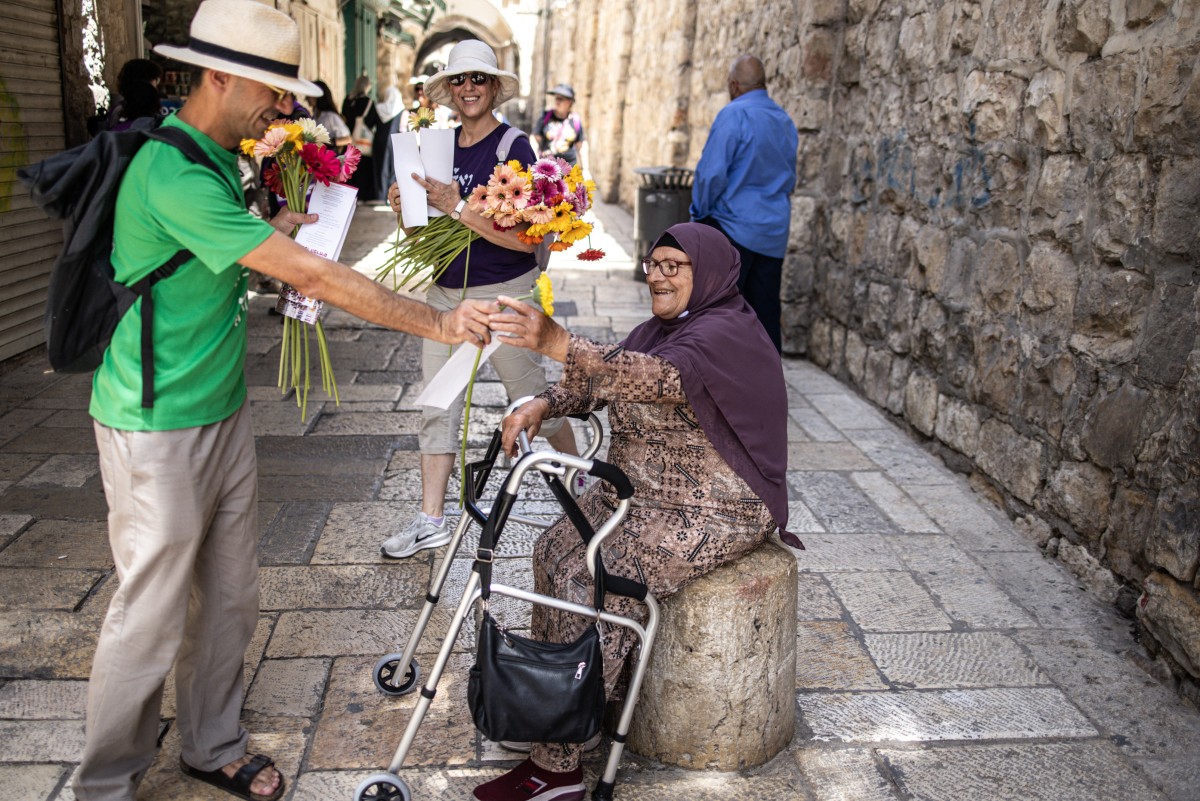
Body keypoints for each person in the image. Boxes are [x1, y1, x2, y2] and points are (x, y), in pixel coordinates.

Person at [73, 3, 495, 800]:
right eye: (272, 90)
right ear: (220, 75)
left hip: (221, 407)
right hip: (154, 421)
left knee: (231, 591)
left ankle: (211, 741)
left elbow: (214, 253)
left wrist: (271, 221)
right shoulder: (168, 169)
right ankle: (104, 782)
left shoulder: (212, 157)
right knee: (150, 610)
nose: (283, 108)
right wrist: (436, 318)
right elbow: (313, 277)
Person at [480, 222, 793, 801]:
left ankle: (558, 768)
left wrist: (556, 343)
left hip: (714, 502)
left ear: (712, 274)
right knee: (551, 551)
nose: (659, 275)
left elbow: (656, 378)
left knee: (595, 579)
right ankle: (557, 711)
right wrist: (544, 402)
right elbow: (606, 375)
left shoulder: (724, 334)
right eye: (654, 263)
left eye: (676, 265)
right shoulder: (661, 328)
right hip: (641, 489)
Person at [379, 38, 578, 560]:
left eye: (479, 79)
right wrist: (406, 209)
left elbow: (528, 239)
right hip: (446, 297)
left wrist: (459, 206)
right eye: (460, 80)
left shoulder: (515, 147)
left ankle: (583, 487)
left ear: (493, 88)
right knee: (435, 405)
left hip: (506, 295)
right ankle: (431, 520)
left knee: (534, 400)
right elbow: (421, 232)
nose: (469, 88)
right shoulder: (436, 146)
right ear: (449, 89)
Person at [689, 54, 798, 353]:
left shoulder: (733, 114)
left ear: (734, 86)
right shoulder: (785, 120)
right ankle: (767, 385)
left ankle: (719, 381)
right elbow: (789, 178)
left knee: (720, 311)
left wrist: (698, 215)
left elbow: (711, 176)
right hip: (773, 232)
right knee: (764, 314)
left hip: (733, 228)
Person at [531, 83, 588, 173]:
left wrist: (585, 170)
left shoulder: (575, 120)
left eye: (561, 99)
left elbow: (580, 146)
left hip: (569, 170)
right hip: (547, 170)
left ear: (570, 102)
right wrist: (534, 160)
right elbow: (535, 139)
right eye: (556, 98)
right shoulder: (546, 117)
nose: (557, 101)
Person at [342, 74, 376, 198]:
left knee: (349, 165)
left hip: (348, 138)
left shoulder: (347, 100)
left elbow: (343, 117)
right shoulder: (368, 102)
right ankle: (362, 195)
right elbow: (371, 121)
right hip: (362, 141)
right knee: (363, 167)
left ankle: (349, 193)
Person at [371, 85, 405, 202]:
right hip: (394, 142)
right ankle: (392, 196)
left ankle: (380, 195)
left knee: (381, 169)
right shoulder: (400, 108)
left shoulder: (378, 108)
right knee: (392, 170)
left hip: (379, 142)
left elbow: (369, 122)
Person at [311, 79, 352, 150]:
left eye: (309, 94)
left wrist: (329, 143)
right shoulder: (314, 116)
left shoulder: (330, 116)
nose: (306, 98)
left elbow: (348, 139)